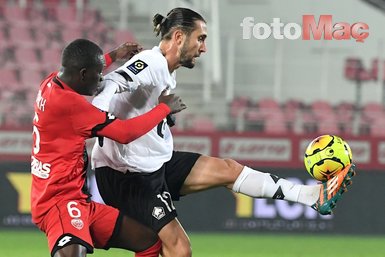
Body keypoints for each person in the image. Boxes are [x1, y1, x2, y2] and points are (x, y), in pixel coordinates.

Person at [90, 8, 356, 257]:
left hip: (152, 164)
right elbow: (112, 82)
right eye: (200, 39)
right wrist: (99, 120)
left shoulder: (167, 71)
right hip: (127, 176)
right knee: (179, 249)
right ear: (180, 37)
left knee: (228, 169)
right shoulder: (151, 62)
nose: (204, 48)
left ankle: (311, 196)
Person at [31, 38, 187, 257]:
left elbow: (84, 65)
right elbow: (124, 134)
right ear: (83, 74)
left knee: (148, 241)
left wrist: (115, 54)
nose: (101, 80)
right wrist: (163, 108)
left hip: (78, 200)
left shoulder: (50, 82)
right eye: (98, 74)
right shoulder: (71, 105)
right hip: (58, 201)